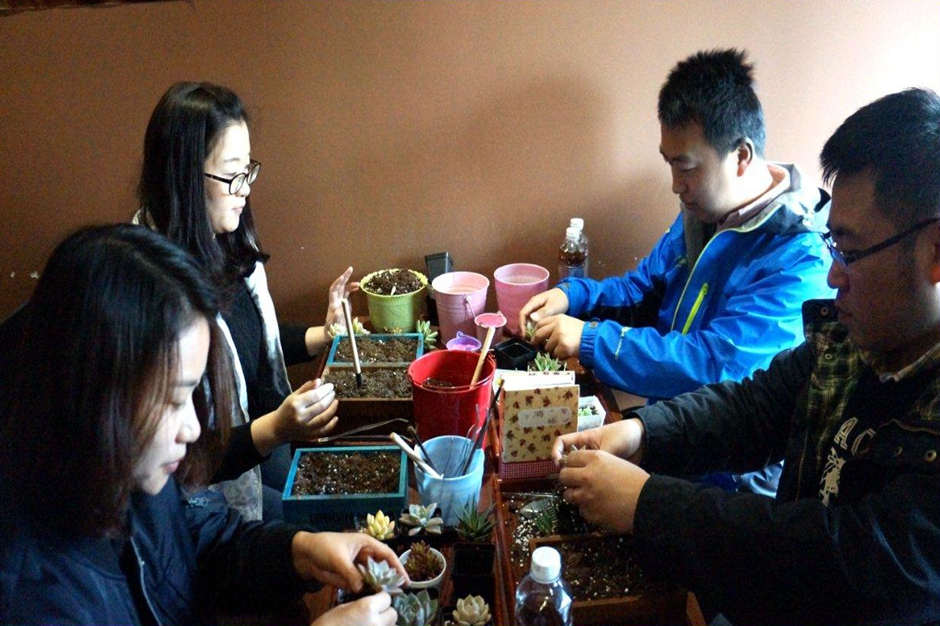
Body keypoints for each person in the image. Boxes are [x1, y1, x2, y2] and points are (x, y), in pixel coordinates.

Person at [551, 88, 940, 625]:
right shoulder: (856, 342)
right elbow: (754, 405)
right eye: (835, 248)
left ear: (934, 252)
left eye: (850, 252)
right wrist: (642, 433)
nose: (833, 276)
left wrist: (649, 505)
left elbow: (839, 562)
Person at [0, 225, 404, 626]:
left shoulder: (128, 472)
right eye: (175, 401)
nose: (193, 429)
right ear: (93, 392)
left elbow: (201, 542)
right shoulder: (30, 598)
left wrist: (300, 552)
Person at [521, 49, 835, 495]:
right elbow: (642, 288)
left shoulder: (799, 257)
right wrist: (573, 297)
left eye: (685, 167)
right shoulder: (703, 211)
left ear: (741, 156)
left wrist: (590, 339)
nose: (674, 184)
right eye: (669, 163)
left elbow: (716, 365)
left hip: (733, 482)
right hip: (671, 437)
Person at [137, 82, 357, 521]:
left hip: (261, 444)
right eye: (232, 174)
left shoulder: (224, 244)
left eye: (248, 171)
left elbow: (250, 344)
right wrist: (275, 428)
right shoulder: (153, 291)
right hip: (205, 493)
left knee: (336, 505)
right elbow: (188, 461)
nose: (245, 189)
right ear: (184, 177)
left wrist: (325, 335)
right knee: (319, 526)